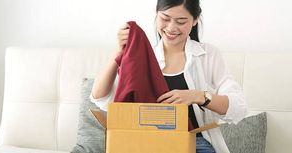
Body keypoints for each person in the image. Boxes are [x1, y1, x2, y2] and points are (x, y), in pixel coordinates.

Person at [90, 0, 247, 152]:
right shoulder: (143, 59)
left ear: (195, 20)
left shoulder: (208, 55)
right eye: (165, 18)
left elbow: (238, 107)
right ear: (156, 14)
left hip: (195, 145)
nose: (171, 28)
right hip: (148, 145)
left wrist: (198, 96)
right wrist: (119, 52)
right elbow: (99, 98)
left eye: (181, 21)